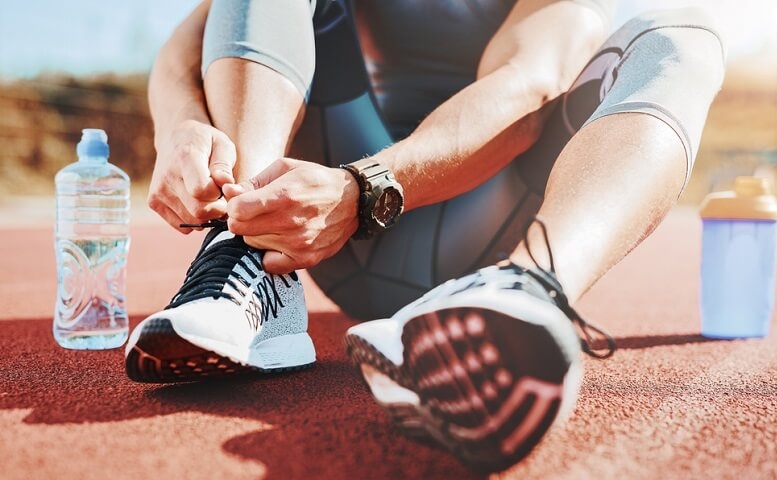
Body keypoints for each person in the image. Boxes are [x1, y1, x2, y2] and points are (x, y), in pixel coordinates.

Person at [125, 0, 725, 472]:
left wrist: (365, 188)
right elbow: (191, 41)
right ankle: (247, 253)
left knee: (681, 36)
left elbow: (530, 84)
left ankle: (526, 289)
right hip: (317, 229)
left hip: (477, 231)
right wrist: (181, 126)